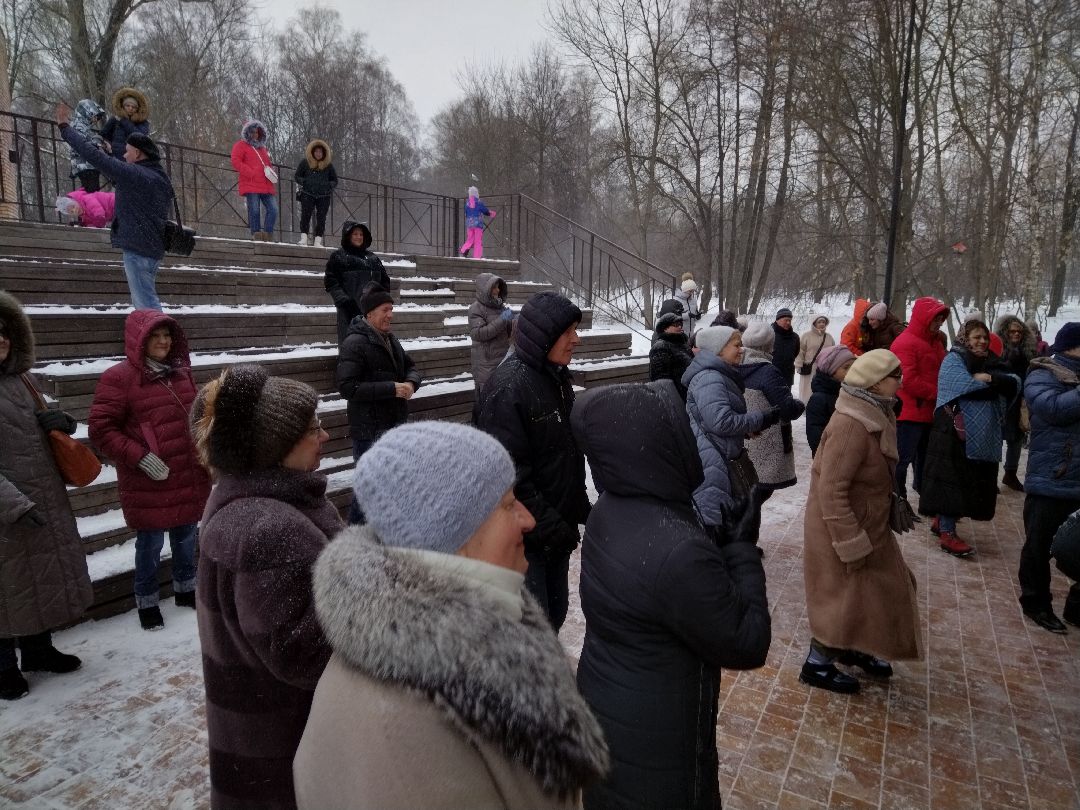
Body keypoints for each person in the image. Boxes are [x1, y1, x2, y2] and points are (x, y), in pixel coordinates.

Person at [294, 421, 609, 809]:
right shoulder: (409, 730)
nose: (528, 519)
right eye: (509, 504)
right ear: (454, 538)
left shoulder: (417, 651)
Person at [571, 381, 770, 810]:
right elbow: (747, 641)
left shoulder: (610, 508)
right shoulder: (677, 549)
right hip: (660, 737)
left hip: (610, 704)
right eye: (679, 432)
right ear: (655, 446)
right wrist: (741, 549)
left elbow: (655, 588)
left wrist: (713, 543)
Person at [191, 364, 340, 810]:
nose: (325, 436)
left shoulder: (252, 502)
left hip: (259, 742)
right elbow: (308, 654)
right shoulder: (269, 529)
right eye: (313, 427)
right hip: (286, 751)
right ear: (277, 446)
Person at [800, 349, 922, 694]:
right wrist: (849, 540)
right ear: (876, 382)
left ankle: (857, 646)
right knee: (842, 597)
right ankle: (817, 663)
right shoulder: (851, 424)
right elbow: (831, 489)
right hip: (840, 527)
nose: (901, 382)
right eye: (895, 377)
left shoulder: (876, 412)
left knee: (872, 591)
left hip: (868, 522)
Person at [474, 291, 590, 631]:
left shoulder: (555, 379)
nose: (576, 340)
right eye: (569, 331)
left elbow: (563, 457)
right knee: (530, 629)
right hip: (526, 541)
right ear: (545, 335)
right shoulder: (508, 388)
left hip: (555, 532)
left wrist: (582, 510)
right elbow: (509, 479)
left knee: (553, 616)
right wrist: (554, 529)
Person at [88, 310, 211, 629]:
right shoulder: (118, 377)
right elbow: (101, 429)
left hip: (186, 471)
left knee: (186, 536)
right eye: (155, 336)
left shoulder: (181, 373)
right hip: (149, 478)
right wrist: (139, 456)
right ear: (138, 340)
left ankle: (186, 589)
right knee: (151, 544)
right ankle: (146, 601)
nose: (162, 341)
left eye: (167, 335)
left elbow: (195, 415)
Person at [0, 292, 92, 701]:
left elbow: (41, 424)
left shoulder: (21, 379)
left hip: (43, 494)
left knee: (36, 582)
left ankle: (37, 651)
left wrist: (63, 421)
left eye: (4, 332)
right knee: (6, 591)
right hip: (10, 508)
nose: (1, 340)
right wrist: (13, 505)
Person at [918, 321, 1020, 557]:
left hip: (982, 435)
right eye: (976, 337)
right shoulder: (953, 360)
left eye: (985, 337)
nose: (982, 341)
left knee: (968, 480)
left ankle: (943, 521)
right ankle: (947, 532)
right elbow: (965, 387)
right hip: (952, 432)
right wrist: (989, 384)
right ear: (965, 337)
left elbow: (1014, 383)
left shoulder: (993, 361)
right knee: (950, 481)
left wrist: (991, 379)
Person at [57, 104, 173, 311]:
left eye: (127, 153)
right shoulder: (157, 177)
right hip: (152, 248)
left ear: (137, 154)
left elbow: (94, 157)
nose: (124, 157)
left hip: (138, 249)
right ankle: (155, 337)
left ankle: (161, 340)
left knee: (147, 306)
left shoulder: (135, 174)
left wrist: (66, 129)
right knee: (147, 301)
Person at [682, 326, 780, 533]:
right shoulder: (710, 378)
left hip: (719, 452)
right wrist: (761, 418)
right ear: (718, 349)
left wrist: (743, 430)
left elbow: (711, 419)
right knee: (717, 524)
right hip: (712, 459)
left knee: (727, 519)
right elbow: (720, 422)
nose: (742, 349)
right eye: (736, 345)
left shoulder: (718, 374)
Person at [337, 283, 422, 523]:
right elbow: (347, 387)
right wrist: (391, 388)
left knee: (389, 487)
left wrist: (411, 384)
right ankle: (353, 537)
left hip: (393, 425)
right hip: (368, 431)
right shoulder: (354, 343)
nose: (390, 315)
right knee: (367, 491)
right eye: (385, 309)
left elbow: (412, 367)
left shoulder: (391, 340)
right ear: (370, 313)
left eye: (391, 309)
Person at [1018, 323, 1080, 634]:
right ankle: (1035, 603)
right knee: (1039, 545)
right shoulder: (1044, 373)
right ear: (1072, 346)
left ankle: (1077, 604)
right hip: (1052, 475)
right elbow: (1053, 408)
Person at [890, 297, 949, 499]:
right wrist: (938, 392)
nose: (939, 323)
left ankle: (926, 496)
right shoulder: (905, 342)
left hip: (929, 412)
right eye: (935, 319)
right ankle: (898, 498)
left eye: (941, 319)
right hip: (909, 412)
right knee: (902, 459)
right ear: (924, 318)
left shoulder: (935, 342)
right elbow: (908, 379)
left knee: (925, 459)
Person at [739, 321, 805, 496]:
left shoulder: (735, 364)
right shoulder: (768, 372)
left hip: (744, 439)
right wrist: (799, 404)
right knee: (757, 495)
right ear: (770, 344)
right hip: (766, 440)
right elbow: (787, 409)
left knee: (748, 492)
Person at [324, 221, 391, 344]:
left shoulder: (373, 258)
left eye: (361, 234)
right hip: (349, 312)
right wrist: (345, 302)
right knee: (351, 346)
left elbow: (385, 282)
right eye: (355, 234)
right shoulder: (339, 256)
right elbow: (331, 282)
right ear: (348, 235)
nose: (359, 237)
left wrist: (380, 302)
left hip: (372, 312)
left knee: (374, 347)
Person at [995, 315, 1036, 491]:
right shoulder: (997, 351)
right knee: (996, 438)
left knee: (1017, 439)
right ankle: (991, 476)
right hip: (1001, 399)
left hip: (1020, 401)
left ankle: (1010, 474)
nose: (1016, 334)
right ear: (1005, 332)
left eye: (1019, 331)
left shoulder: (1029, 352)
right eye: (1012, 331)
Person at [230, 118, 278, 241]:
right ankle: (256, 234)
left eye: (256, 132)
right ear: (247, 132)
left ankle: (268, 234)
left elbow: (267, 164)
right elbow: (235, 161)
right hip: (251, 183)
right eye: (252, 132)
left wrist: (271, 172)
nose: (254, 135)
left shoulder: (262, 148)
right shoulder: (241, 145)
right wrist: (250, 172)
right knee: (254, 210)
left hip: (266, 184)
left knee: (273, 209)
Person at [804, 345, 856, 456]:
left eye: (854, 367)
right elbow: (816, 436)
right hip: (830, 459)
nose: (851, 371)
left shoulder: (851, 391)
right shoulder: (819, 399)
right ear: (831, 370)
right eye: (846, 367)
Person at [468, 272, 514, 394]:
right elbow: (478, 334)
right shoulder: (476, 308)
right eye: (494, 287)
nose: (498, 290)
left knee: (502, 399)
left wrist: (513, 321)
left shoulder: (500, 307)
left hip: (503, 359)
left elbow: (507, 331)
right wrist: (503, 319)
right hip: (486, 363)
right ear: (485, 289)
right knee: (486, 401)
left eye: (498, 287)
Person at [295, 139, 338, 247]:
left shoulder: (328, 165)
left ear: (324, 153)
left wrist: (329, 186)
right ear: (312, 152)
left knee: (321, 217)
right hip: (307, 193)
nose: (318, 154)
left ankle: (318, 241)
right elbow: (297, 176)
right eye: (316, 151)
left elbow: (334, 180)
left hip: (324, 195)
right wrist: (304, 182)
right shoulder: (305, 163)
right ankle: (303, 238)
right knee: (305, 215)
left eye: (320, 152)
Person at [649, 308, 693, 398]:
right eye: (675, 325)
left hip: (691, 390)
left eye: (680, 324)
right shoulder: (660, 347)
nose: (680, 327)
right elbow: (660, 380)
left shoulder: (683, 343)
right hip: (677, 395)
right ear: (665, 328)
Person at [67, 99, 107, 192]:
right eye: (94, 116)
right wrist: (97, 142)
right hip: (85, 165)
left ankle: (89, 205)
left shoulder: (83, 126)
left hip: (86, 164)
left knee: (91, 191)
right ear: (87, 112)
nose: (96, 120)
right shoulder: (78, 126)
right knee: (92, 191)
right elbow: (82, 143)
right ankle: (90, 206)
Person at [100, 87, 151, 160]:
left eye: (134, 107)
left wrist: (123, 121)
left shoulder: (142, 122)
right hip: (115, 157)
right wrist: (108, 145)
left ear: (137, 109)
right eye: (128, 106)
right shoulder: (115, 119)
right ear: (123, 106)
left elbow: (140, 136)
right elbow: (104, 134)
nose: (130, 108)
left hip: (134, 160)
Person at [794, 314, 834, 401]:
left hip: (824, 369)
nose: (822, 324)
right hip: (809, 367)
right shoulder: (806, 336)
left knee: (821, 388)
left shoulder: (829, 337)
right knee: (807, 388)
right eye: (819, 322)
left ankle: (818, 405)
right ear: (814, 323)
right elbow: (800, 351)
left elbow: (833, 352)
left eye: (823, 322)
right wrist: (799, 365)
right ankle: (805, 404)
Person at [459, 186, 495, 258]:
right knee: (478, 241)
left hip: (469, 223)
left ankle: (463, 250)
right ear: (476, 194)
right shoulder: (479, 202)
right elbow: (485, 211)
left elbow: (466, 213)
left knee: (470, 239)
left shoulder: (467, 204)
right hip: (477, 224)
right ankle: (477, 256)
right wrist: (491, 213)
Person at [770, 307, 800, 386]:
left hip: (788, 376)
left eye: (789, 320)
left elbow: (796, 352)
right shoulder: (770, 335)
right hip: (771, 375)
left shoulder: (795, 337)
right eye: (785, 320)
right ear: (778, 320)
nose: (788, 322)